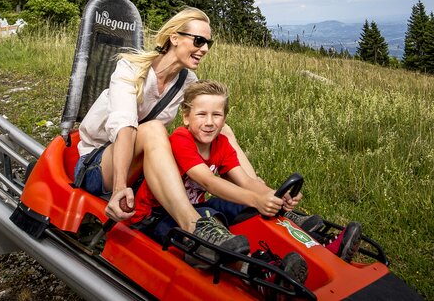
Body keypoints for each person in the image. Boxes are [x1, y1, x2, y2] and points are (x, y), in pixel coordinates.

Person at [73, 7, 256, 255]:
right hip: (98, 165)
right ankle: (193, 225)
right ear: (175, 38)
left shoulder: (187, 81)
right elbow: (125, 127)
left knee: (221, 128)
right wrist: (119, 187)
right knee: (153, 129)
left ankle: (261, 193)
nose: (204, 49)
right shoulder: (130, 68)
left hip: (139, 167)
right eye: (199, 41)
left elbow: (200, 118)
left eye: (208, 43)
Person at [131, 79, 362, 266]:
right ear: (186, 117)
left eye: (216, 115)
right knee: (213, 215)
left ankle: (319, 243)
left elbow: (246, 181)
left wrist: (272, 196)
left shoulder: (221, 144)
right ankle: (261, 267)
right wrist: (256, 199)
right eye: (201, 114)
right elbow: (208, 181)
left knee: (239, 206)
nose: (209, 122)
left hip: (195, 207)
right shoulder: (181, 139)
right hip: (157, 216)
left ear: (224, 118)